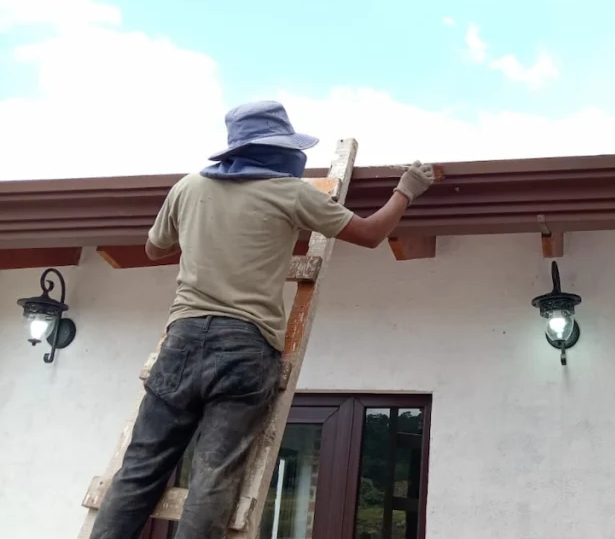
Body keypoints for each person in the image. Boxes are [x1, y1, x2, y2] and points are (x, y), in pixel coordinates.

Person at [90, 100, 434, 538]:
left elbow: (155, 249)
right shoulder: (290, 193)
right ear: (280, 150)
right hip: (244, 347)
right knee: (213, 475)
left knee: (140, 467)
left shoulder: (188, 188)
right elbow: (368, 234)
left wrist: (205, 239)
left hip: (182, 339)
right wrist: (406, 189)